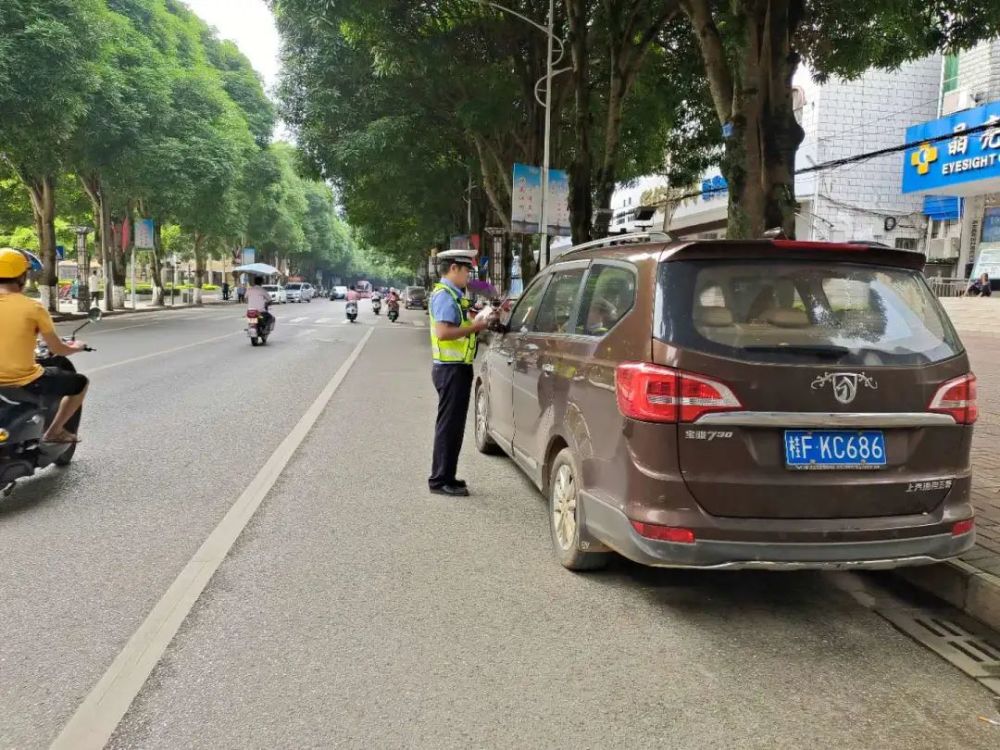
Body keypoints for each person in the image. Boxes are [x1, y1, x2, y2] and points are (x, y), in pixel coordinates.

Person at [0, 248, 89, 443]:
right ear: (22, 277)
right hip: (24, 381)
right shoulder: (33, 307)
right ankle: (54, 431)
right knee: (80, 383)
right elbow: (57, 349)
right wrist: (77, 347)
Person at [428, 249, 493, 497]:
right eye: (466, 270)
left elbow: (458, 324)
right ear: (453, 268)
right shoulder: (444, 295)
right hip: (450, 370)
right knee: (448, 427)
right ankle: (439, 480)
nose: (469, 276)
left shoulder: (453, 295)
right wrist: (476, 326)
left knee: (454, 428)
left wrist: (476, 320)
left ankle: (448, 476)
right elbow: (444, 333)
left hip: (456, 369)